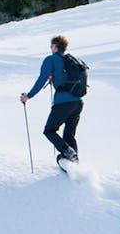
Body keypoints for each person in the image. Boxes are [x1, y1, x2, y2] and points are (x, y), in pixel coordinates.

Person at [19, 35, 82, 164]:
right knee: (69, 135)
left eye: (51, 46)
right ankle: (74, 162)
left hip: (63, 103)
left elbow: (41, 79)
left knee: (49, 130)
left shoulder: (51, 59)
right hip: (78, 102)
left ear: (55, 46)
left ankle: (68, 152)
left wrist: (28, 95)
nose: (50, 48)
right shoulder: (69, 61)